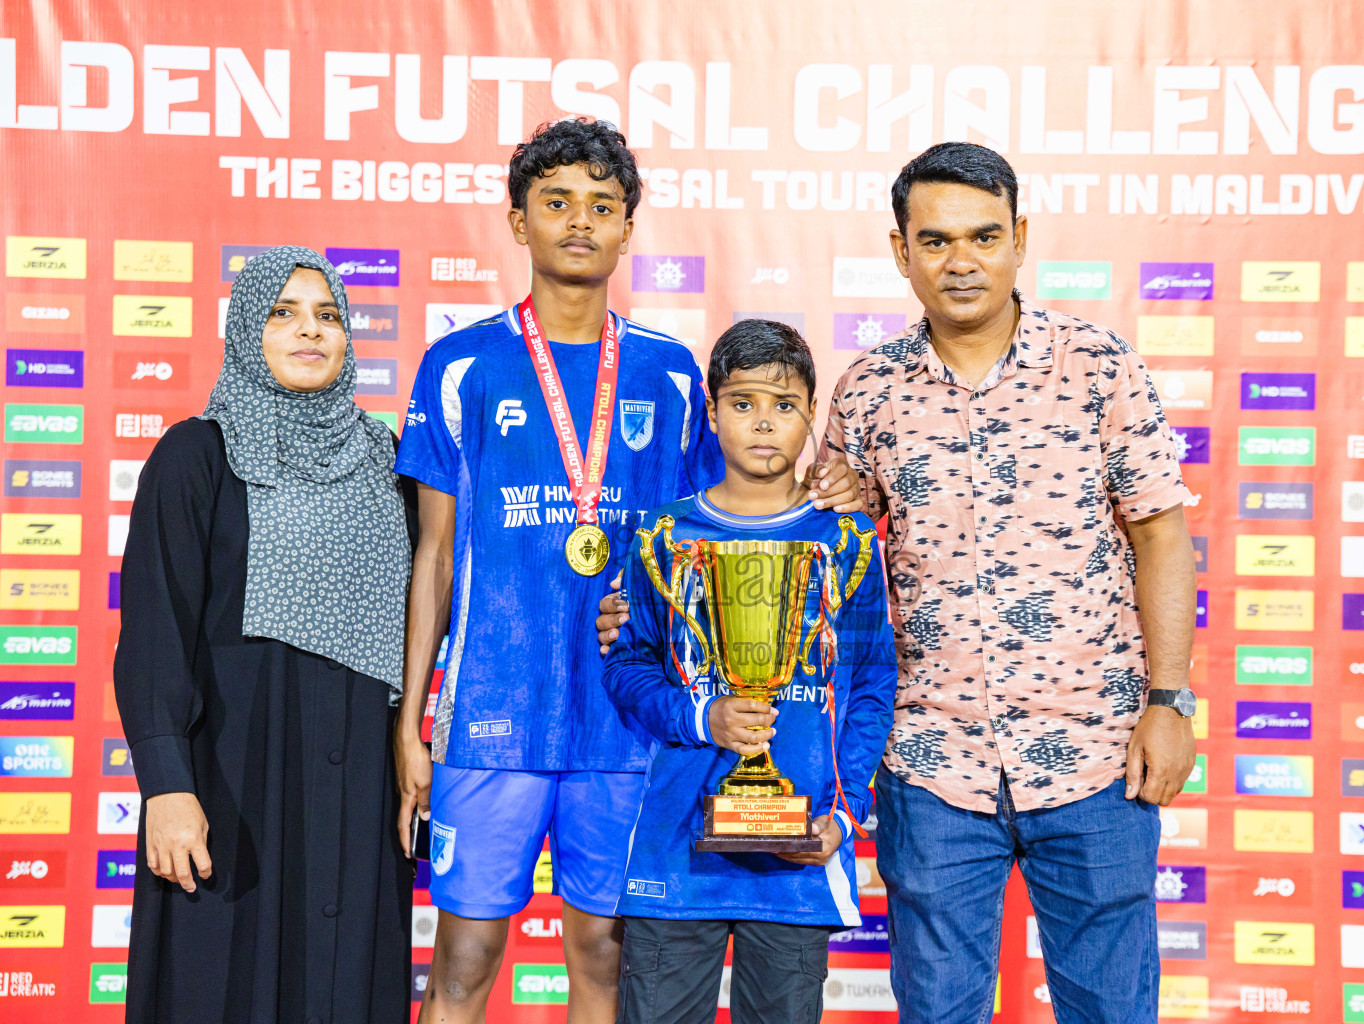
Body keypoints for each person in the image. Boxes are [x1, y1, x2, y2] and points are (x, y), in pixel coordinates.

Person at [392, 119, 862, 1024]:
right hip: (491, 711)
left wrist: (822, 486)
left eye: (603, 206)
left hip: (626, 721)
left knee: (605, 951)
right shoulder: (460, 365)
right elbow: (436, 557)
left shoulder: (672, 373)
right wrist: (410, 722)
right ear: (518, 221)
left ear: (627, 229)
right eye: (557, 202)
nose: (581, 221)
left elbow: (726, 521)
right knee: (463, 956)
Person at [817, 142, 1200, 1024]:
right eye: (937, 239)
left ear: (1020, 239)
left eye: (984, 236)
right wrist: (825, 501)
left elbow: (1161, 534)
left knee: (1109, 1010)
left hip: (1098, 756)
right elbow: (834, 558)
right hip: (930, 760)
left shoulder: (1098, 367)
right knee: (939, 1011)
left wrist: (1169, 702)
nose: (961, 261)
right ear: (899, 249)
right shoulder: (866, 392)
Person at [115, 246, 416, 1024]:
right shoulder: (197, 454)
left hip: (358, 789)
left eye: (328, 316)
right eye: (282, 313)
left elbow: (426, 613)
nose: (308, 332)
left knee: (343, 981)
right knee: (221, 980)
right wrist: (165, 786)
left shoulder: (387, 462)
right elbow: (154, 633)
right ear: (248, 331)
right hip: (231, 780)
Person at [603, 319, 896, 1024]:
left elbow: (870, 688)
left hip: (795, 862)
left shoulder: (847, 539)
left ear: (810, 418)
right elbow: (629, 667)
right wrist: (702, 718)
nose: (763, 423)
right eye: (742, 404)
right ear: (711, 414)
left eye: (783, 405)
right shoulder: (662, 536)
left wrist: (845, 813)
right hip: (676, 856)